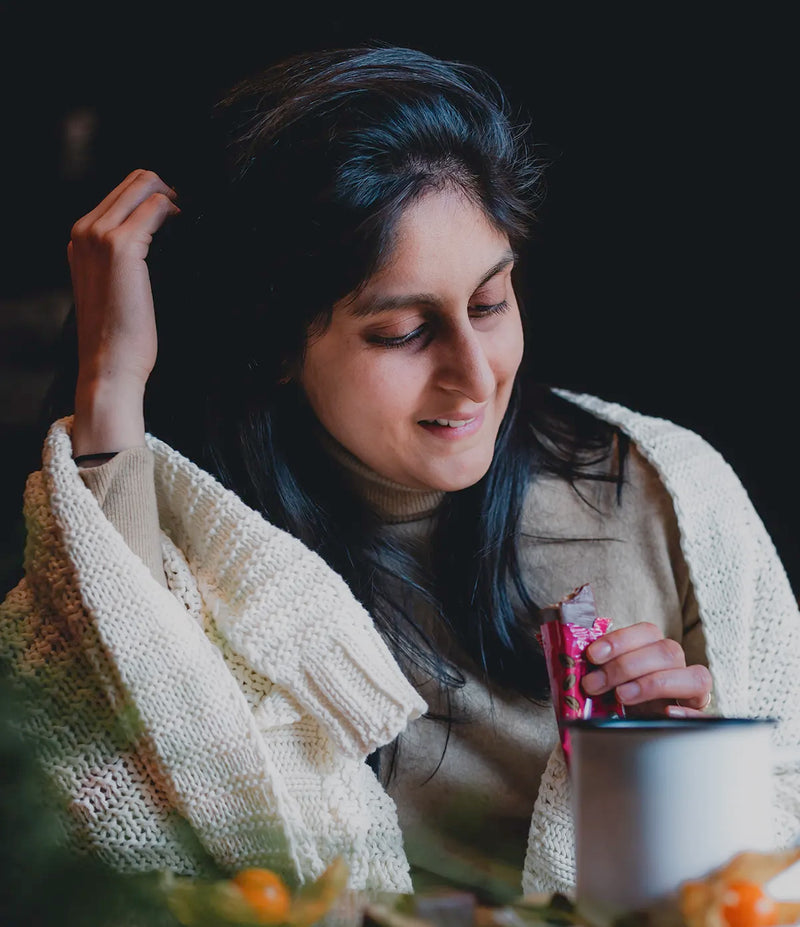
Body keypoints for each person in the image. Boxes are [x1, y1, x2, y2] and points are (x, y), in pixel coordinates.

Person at [2, 45, 798, 899]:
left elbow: (775, 854)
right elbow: (109, 712)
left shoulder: (664, 494)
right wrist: (112, 380)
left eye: (490, 304)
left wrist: (690, 776)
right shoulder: (205, 552)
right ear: (274, 345)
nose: (477, 371)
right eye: (402, 332)